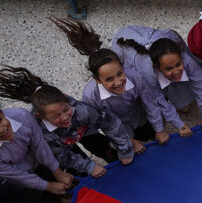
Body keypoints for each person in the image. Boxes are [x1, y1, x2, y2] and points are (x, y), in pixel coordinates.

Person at [51, 17, 169, 153]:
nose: (118, 82)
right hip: (121, 127)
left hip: (140, 117)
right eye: (109, 79)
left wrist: (159, 129)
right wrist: (129, 141)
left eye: (120, 74)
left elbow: (150, 104)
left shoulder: (135, 77)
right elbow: (105, 124)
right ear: (97, 80)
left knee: (149, 132)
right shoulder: (90, 97)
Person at [0, 66, 133, 177]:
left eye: (65, 109)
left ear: (67, 100)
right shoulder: (45, 136)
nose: (64, 118)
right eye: (56, 116)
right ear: (41, 117)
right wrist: (89, 167)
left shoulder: (82, 111)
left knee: (101, 146)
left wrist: (125, 149)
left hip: (83, 129)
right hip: (61, 144)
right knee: (80, 168)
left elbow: (111, 123)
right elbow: (63, 156)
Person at [112, 26, 202, 131]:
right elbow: (157, 99)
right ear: (157, 67)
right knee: (155, 101)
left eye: (178, 64)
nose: (176, 71)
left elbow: (200, 84)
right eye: (168, 68)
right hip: (125, 48)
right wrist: (179, 124)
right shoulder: (148, 73)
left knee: (183, 102)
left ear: (180, 57)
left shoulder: (186, 60)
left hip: (154, 43)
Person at [0, 107, 71, 195]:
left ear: (2, 113)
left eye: (0, 120)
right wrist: (48, 186)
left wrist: (57, 171)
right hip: (17, 179)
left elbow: (39, 144)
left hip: (38, 159)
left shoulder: (21, 115)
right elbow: (16, 176)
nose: (1, 130)